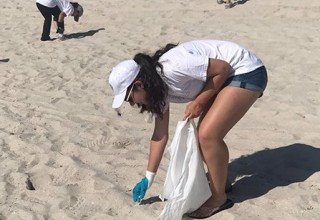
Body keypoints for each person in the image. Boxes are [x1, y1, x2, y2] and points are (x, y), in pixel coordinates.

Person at [108, 39, 268, 219]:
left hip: (246, 71)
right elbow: (160, 135)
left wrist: (198, 102)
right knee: (202, 137)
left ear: (139, 84)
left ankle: (219, 199)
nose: (132, 103)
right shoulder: (157, 90)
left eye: (129, 97)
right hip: (224, 78)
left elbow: (222, 68)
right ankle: (222, 184)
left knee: (208, 135)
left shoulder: (173, 67)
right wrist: (148, 177)